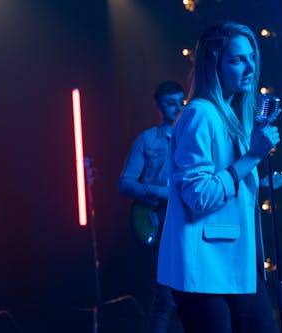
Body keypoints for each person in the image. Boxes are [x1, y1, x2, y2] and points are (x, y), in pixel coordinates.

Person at [157, 21, 280, 332]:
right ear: (214, 63)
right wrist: (252, 156)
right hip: (205, 267)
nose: (250, 67)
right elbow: (198, 196)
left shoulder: (235, 116)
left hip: (236, 261)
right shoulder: (201, 114)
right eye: (238, 59)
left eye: (252, 57)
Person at [119, 81, 185, 333]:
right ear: (157, 106)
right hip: (156, 218)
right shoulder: (146, 140)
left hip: (184, 222)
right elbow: (124, 183)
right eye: (171, 103)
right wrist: (161, 193)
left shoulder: (194, 136)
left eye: (181, 102)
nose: (178, 108)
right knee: (164, 298)